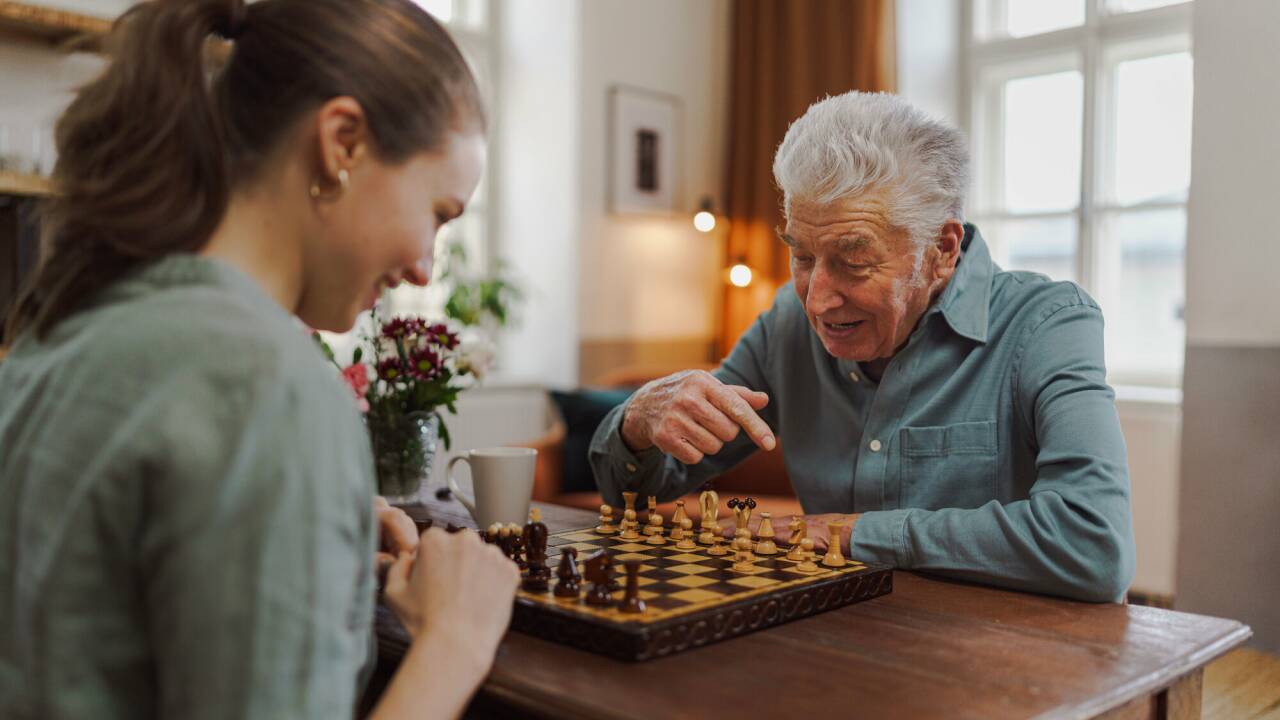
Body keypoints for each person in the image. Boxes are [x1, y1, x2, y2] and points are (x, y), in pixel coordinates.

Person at [0, 1, 518, 718]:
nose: (427, 270)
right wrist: (456, 642)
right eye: (437, 213)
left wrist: (301, 516)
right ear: (342, 142)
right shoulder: (272, 391)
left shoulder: (68, 324)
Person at [590, 91, 1135, 603]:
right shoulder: (786, 322)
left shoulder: (1049, 324)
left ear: (942, 250)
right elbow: (641, 487)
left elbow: (1094, 543)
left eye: (853, 261)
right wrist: (639, 422)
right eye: (802, 257)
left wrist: (861, 534)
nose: (818, 301)